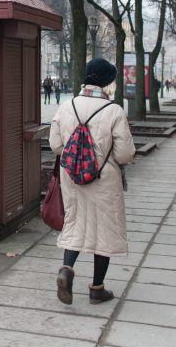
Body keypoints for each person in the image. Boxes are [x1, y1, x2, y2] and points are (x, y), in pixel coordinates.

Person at [48, 58, 136, 306]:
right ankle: (97, 289)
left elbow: (55, 145)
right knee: (104, 231)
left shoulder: (66, 107)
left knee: (75, 222)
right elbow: (125, 154)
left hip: (73, 176)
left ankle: (66, 269)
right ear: (107, 81)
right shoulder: (113, 110)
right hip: (103, 177)